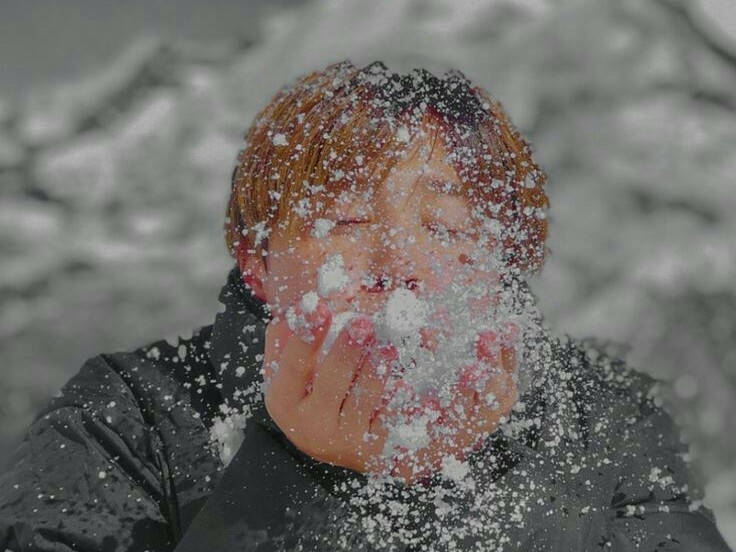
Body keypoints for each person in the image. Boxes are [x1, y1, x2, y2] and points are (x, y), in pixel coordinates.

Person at [0, 61, 731, 552]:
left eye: (447, 228)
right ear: (256, 261)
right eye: (345, 221)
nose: (400, 267)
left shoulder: (601, 421)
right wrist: (296, 480)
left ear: (505, 260)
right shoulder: (128, 418)